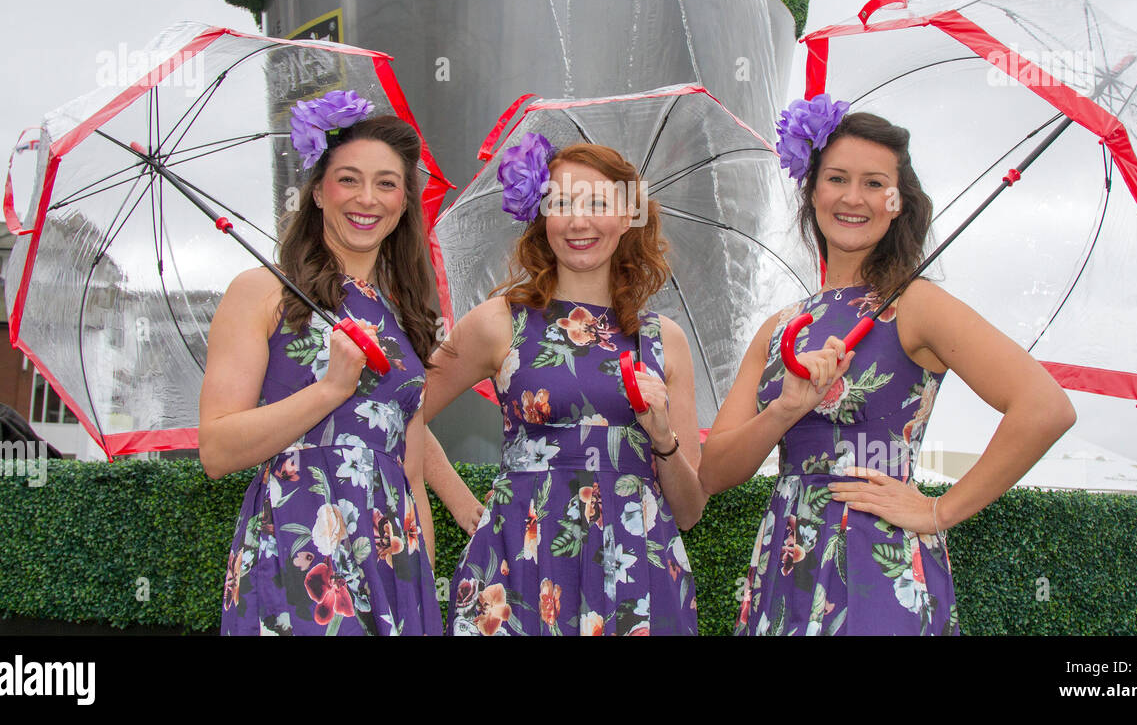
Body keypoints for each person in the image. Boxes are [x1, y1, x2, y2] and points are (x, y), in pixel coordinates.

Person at [698, 98, 1076, 635]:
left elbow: (1046, 408)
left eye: (875, 183)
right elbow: (714, 472)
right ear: (812, 191)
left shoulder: (916, 305)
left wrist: (938, 512)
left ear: (899, 202)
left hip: (878, 563)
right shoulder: (779, 328)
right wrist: (783, 411)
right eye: (837, 178)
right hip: (785, 563)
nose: (854, 198)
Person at [200, 91, 479, 635]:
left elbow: (412, 471)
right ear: (319, 193)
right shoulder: (261, 292)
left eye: (387, 183)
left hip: (394, 556)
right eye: (348, 179)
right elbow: (216, 449)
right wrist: (329, 389)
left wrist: (421, 582)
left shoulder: (403, 316)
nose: (367, 198)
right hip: (298, 552)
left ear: (403, 203)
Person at [423, 137, 707, 635]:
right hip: (519, 570)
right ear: (541, 217)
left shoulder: (665, 341)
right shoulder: (498, 322)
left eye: (598, 203)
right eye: (561, 203)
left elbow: (688, 511)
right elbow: (397, 413)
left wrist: (663, 439)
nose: (579, 221)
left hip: (638, 573)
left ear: (627, 217)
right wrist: (463, 503)